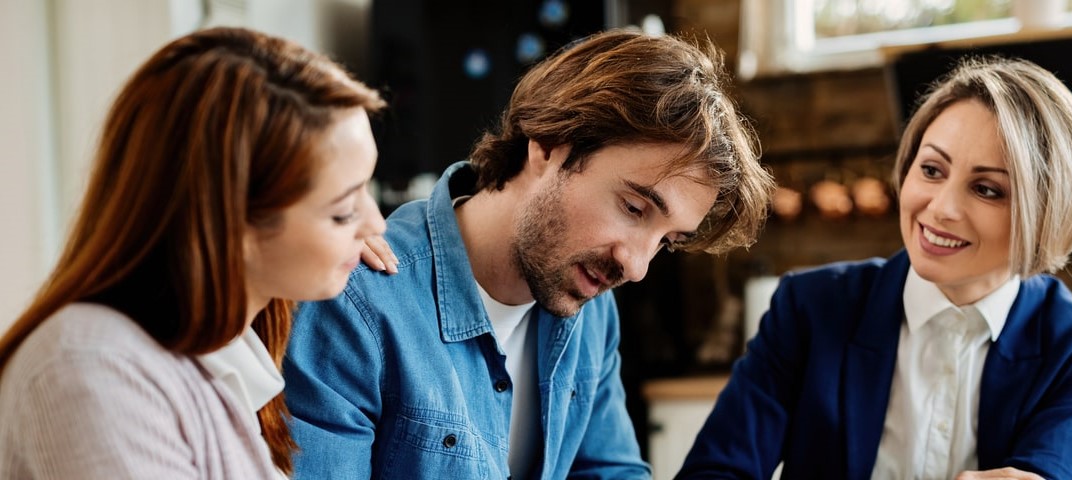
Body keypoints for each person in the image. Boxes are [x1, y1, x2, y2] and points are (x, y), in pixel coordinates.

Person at [282, 28, 776, 479]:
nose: (636, 266)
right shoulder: (356, 300)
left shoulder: (591, 308)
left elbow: (608, 471)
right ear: (548, 146)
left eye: (666, 242)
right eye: (633, 207)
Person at [678, 57, 1072, 480]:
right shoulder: (811, 308)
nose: (941, 207)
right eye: (931, 169)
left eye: (987, 189)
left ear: (1048, 213)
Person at [0, 27, 386, 479]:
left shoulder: (233, 356)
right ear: (231, 222)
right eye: (343, 210)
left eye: (367, 190)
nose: (376, 224)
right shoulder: (94, 370)